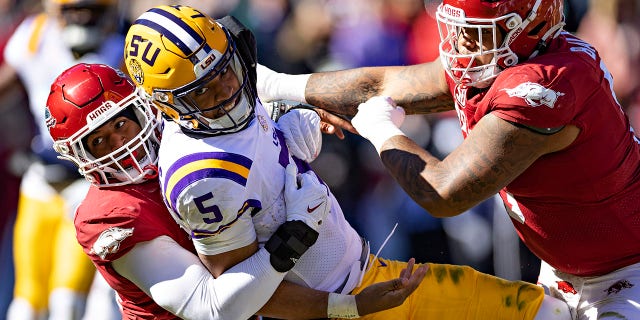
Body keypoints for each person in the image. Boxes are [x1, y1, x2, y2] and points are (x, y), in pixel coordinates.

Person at [123, 4, 571, 320]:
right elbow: (237, 303)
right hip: (340, 304)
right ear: (165, 104)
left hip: (369, 273)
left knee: (543, 311)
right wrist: (306, 258)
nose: (226, 92)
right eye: (203, 92)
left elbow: (258, 109)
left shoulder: (235, 83)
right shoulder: (202, 178)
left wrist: (289, 117)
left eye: (224, 72)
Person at [256, 0, 640, 319]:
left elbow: (443, 192)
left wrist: (382, 130)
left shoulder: (545, 85)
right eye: (458, 28)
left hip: (625, 275)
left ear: (527, 30)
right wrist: (275, 84)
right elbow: (381, 85)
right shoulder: (512, 59)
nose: (461, 42)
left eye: (476, 32)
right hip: (572, 268)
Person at [45, 62, 427, 320]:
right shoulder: (112, 215)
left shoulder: (178, 129)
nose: (120, 144)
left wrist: (282, 111)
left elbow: (233, 88)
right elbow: (213, 308)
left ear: (143, 108)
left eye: (121, 125)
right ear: (78, 155)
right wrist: (295, 234)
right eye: (99, 141)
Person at [1, 0, 126, 318]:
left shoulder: (124, 46)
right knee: (26, 303)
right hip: (40, 180)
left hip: (87, 184)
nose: (83, 18)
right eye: (74, 10)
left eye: (92, 11)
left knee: (67, 302)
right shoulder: (35, 35)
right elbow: (10, 79)